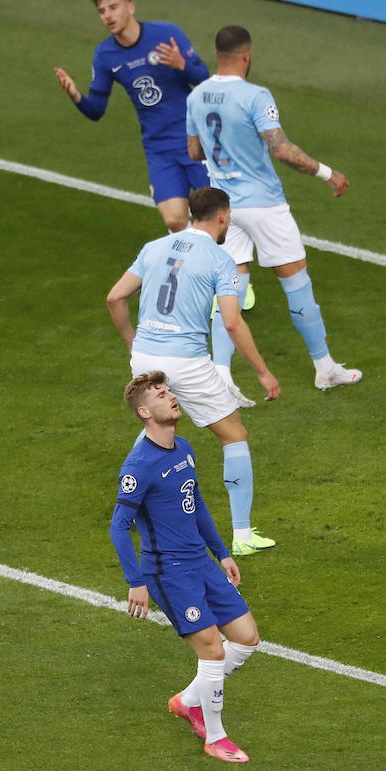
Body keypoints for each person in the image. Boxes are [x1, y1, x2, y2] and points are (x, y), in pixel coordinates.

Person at [185, 25, 362, 398]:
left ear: (217, 54)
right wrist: (328, 173)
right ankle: (324, 368)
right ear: (246, 56)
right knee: (296, 283)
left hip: (222, 208)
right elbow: (281, 150)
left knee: (229, 291)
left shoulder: (197, 96)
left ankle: (221, 375)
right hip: (263, 203)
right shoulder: (255, 95)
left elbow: (194, 152)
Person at [107, 187, 280, 556]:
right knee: (234, 434)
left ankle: (130, 503)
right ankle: (243, 533)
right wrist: (263, 373)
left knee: (154, 432)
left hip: (146, 356)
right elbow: (232, 323)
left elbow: (115, 297)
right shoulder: (221, 259)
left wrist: (133, 343)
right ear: (222, 216)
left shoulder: (153, 246)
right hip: (187, 360)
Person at [111, 371, 261, 763]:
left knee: (246, 638)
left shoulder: (184, 447)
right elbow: (118, 527)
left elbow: (195, 503)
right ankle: (216, 737)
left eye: (169, 391)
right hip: (168, 572)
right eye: (161, 395)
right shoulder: (138, 465)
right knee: (211, 651)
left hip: (201, 562)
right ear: (144, 411)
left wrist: (222, 552)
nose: (171, 397)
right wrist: (136, 581)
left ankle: (189, 700)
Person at [53, 0, 212, 236]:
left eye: (113, 7)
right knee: (174, 221)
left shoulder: (167, 34)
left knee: (217, 213)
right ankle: (198, 266)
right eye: (102, 11)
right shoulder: (105, 55)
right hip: (158, 147)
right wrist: (75, 95)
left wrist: (182, 64)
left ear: (131, 7)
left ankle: (234, 274)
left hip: (195, 140)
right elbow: (96, 110)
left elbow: (204, 79)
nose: (108, 16)